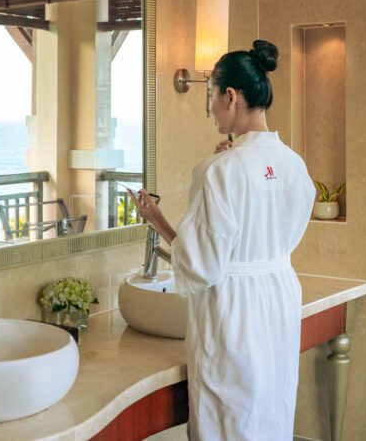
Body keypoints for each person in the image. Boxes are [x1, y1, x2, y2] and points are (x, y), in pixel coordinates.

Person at [129, 39, 315, 440]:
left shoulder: (218, 171)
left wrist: (156, 220)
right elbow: (271, 234)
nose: (210, 108)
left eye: (211, 96)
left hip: (234, 315)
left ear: (230, 96)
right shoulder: (294, 165)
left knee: (230, 425)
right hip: (279, 304)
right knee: (269, 418)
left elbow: (202, 266)